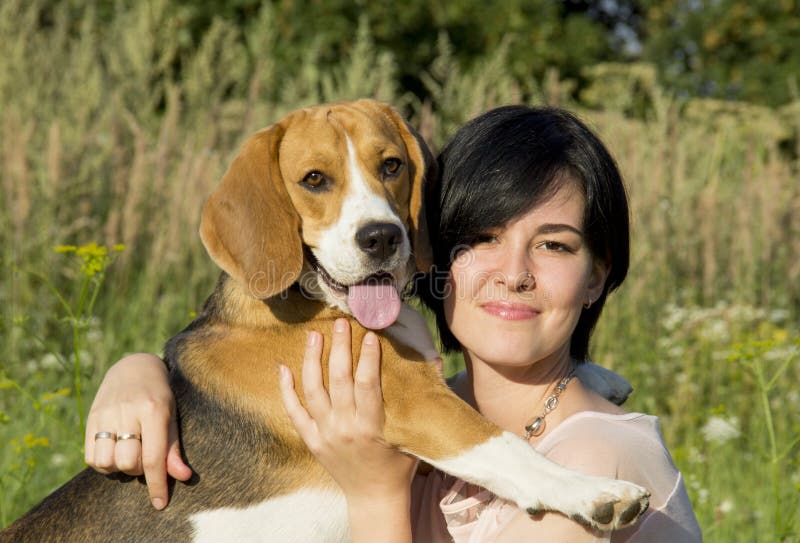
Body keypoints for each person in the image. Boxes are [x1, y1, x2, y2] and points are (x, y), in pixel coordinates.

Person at [85, 106, 702, 542]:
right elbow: (426, 407)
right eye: (317, 182)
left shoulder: (600, 459)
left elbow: (419, 410)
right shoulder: (403, 385)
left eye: (388, 170)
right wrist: (139, 370)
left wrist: (378, 497)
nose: (374, 216)